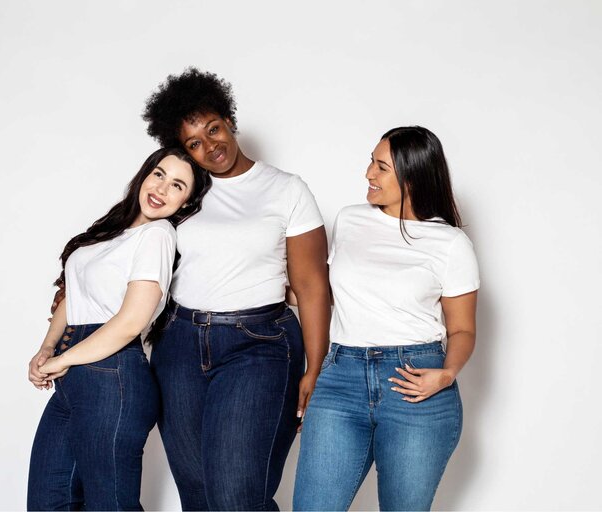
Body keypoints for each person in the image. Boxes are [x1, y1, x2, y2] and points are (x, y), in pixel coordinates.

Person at [142, 68, 331, 511]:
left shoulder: (286, 189)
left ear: (229, 119)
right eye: (194, 143)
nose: (210, 146)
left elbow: (311, 285)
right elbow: (130, 243)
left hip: (259, 346)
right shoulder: (183, 193)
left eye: (213, 129)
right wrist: (67, 289)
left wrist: (315, 367)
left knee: (236, 497)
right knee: (199, 497)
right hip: (180, 348)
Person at [293, 126, 480, 511]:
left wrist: (446, 374)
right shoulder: (350, 220)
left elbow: (462, 328)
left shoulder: (450, 244)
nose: (368, 174)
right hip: (340, 377)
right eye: (371, 161)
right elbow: (324, 294)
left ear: (412, 178)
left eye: (381, 167)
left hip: (414, 382)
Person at [26, 147, 211, 511]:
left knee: (110, 505)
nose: (161, 188)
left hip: (112, 376)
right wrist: (46, 349)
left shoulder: (157, 236)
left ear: (186, 202)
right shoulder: (113, 232)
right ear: (145, 173)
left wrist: (64, 358)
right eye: (159, 174)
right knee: (48, 501)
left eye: (177, 185)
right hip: (76, 371)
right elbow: (71, 295)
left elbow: (130, 322)